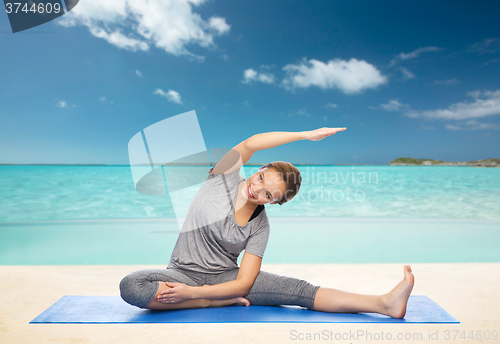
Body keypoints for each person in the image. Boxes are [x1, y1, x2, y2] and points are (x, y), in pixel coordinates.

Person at [120, 127, 414, 318]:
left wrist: (193, 294)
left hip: (227, 281)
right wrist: (303, 135)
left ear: (274, 202)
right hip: (181, 273)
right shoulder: (223, 177)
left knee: (299, 291)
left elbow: (244, 282)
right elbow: (251, 142)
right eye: (260, 178)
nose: (256, 189)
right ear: (258, 168)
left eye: (268, 193)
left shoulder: (260, 227)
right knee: (131, 286)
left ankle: (384, 303)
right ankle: (211, 303)